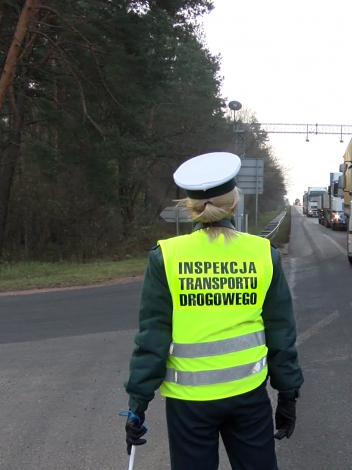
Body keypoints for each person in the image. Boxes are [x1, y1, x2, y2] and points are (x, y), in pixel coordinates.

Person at [123, 151, 304, 470]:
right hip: (248, 396)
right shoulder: (263, 253)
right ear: (235, 204)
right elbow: (280, 332)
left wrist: (138, 403)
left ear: (191, 209)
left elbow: (152, 337)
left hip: (188, 403)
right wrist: (287, 395)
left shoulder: (166, 257)